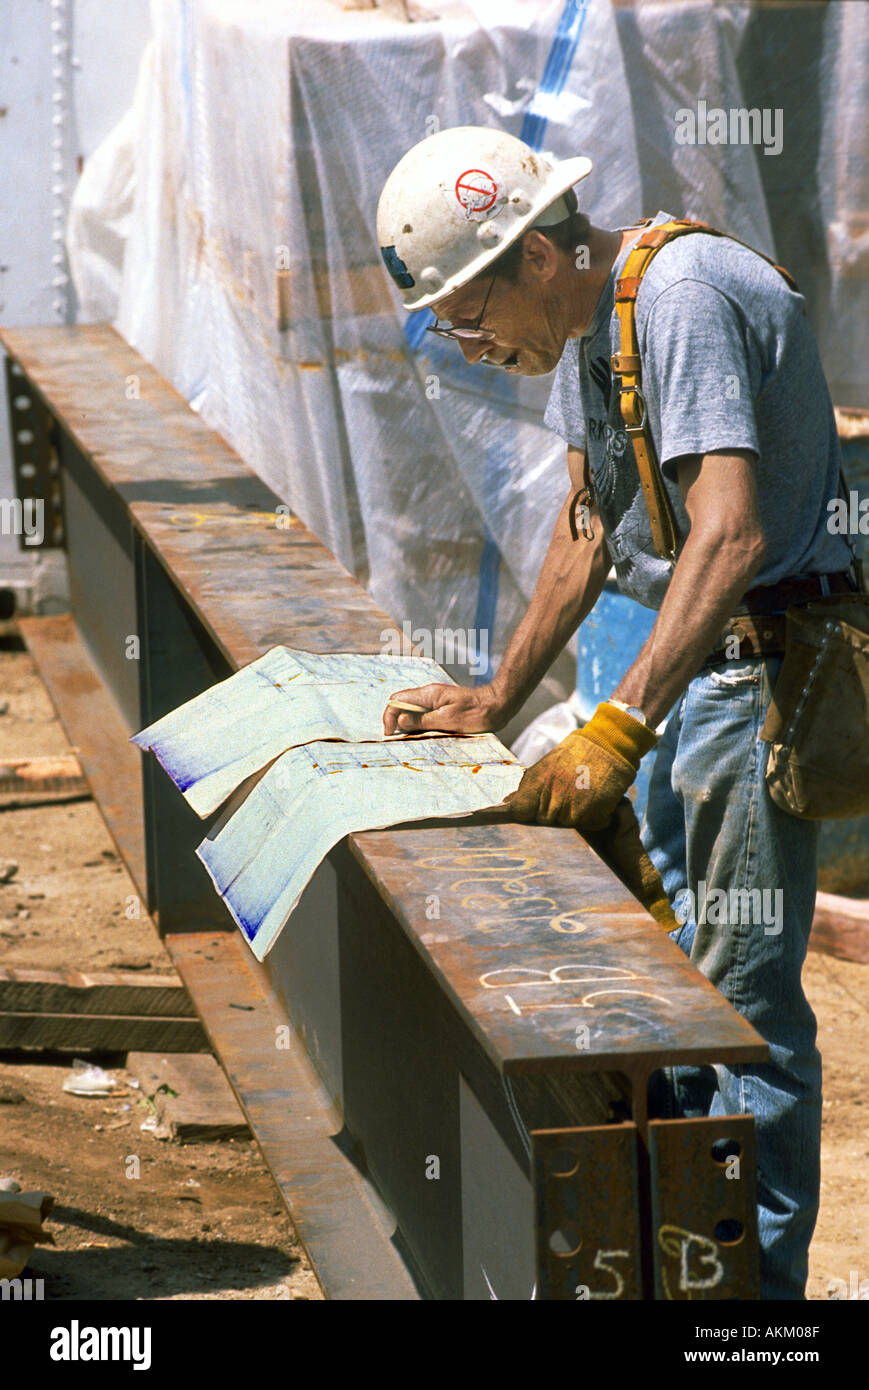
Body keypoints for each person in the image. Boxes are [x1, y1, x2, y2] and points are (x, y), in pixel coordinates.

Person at [376, 126, 856, 1299]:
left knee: (739, 1009)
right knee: (675, 981)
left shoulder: (678, 298)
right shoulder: (598, 321)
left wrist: (617, 727)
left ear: (540, 255)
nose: (471, 344)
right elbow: (586, 521)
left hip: (754, 684)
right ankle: (681, 1251)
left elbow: (728, 533)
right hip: (698, 678)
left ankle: (748, 1303)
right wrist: (497, 693)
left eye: (469, 313)